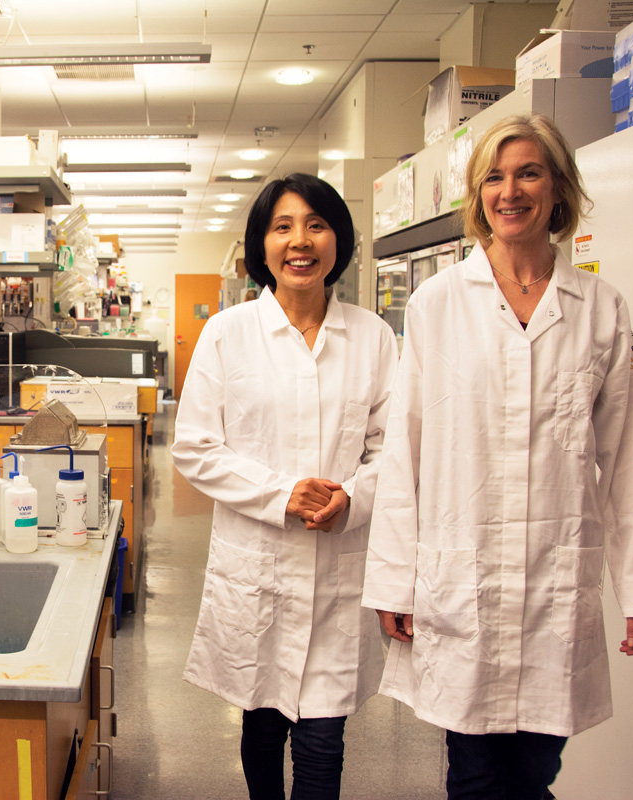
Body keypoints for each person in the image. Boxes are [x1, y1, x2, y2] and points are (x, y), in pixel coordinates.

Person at [362, 113, 633, 800]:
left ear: (558, 189)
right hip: (462, 582)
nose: (511, 191)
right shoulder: (438, 305)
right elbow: (403, 452)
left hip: (552, 584)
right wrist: (393, 579)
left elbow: (630, 462)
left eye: (529, 172)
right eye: (494, 178)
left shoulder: (599, 309)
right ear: (477, 196)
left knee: (536, 772)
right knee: (473, 774)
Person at [172, 173, 398, 800]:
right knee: (263, 718)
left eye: (317, 225)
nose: (301, 241)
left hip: (336, 569)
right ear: (262, 247)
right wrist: (281, 495)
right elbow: (195, 446)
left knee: (325, 740)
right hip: (258, 565)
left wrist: (352, 497)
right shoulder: (227, 333)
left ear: (338, 241)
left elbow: (394, 450)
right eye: (283, 227)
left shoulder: (374, 338)